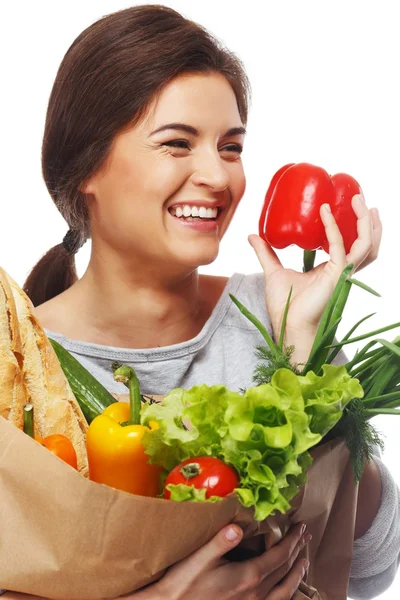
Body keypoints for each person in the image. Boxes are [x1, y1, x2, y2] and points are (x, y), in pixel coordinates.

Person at [3, 5, 399, 600]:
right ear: (86, 166)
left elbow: (367, 567)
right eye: (177, 144)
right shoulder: (19, 368)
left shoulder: (272, 312)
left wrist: (311, 375)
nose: (218, 176)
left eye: (231, 146)